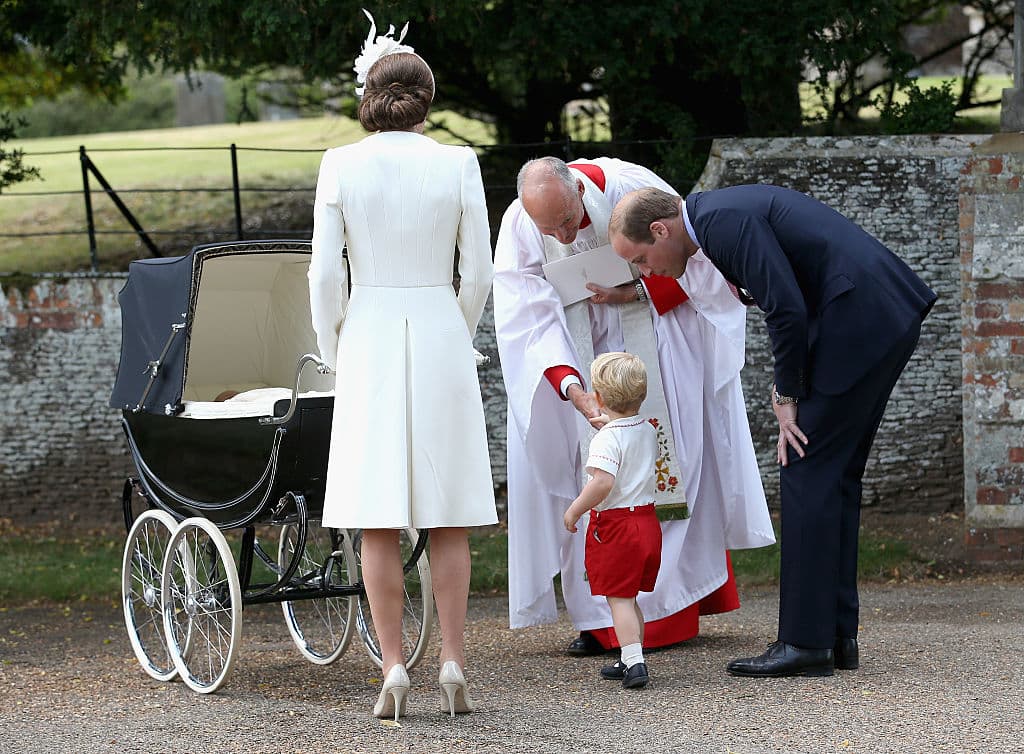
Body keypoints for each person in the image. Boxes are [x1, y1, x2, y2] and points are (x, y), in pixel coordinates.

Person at [608, 185, 936, 678]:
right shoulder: (717, 215)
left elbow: (785, 306)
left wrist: (787, 395)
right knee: (836, 475)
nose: (645, 272)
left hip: (857, 315)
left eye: (641, 259)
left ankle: (805, 641)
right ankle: (835, 635)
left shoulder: (719, 222)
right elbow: (783, 291)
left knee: (805, 467)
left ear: (660, 230)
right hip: (877, 313)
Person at [493, 156, 775, 657]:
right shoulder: (521, 221)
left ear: (580, 190)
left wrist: (637, 289)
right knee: (590, 474)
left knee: (670, 462)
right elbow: (526, 311)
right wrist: (570, 386)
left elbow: (693, 256)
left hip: (657, 338)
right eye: (549, 229)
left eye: (568, 221)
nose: (562, 236)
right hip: (575, 349)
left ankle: (667, 614)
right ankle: (598, 619)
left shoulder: (634, 187)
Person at [308, 13, 497, 720]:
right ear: (427, 98)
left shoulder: (340, 164)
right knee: (448, 515)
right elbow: (479, 271)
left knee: (376, 515)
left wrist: (334, 348)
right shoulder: (458, 163)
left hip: (369, 336)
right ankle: (451, 659)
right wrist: (457, 329)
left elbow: (324, 277)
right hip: (440, 328)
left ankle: (392, 667)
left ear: (368, 94)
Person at [563, 352, 662, 690]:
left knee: (619, 599)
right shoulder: (647, 429)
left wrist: (575, 509)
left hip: (618, 526)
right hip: (647, 522)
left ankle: (635, 663)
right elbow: (627, 436)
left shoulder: (606, 439)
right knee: (630, 598)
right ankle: (630, 654)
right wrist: (612, 424)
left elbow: (603, 482)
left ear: (599, 398)